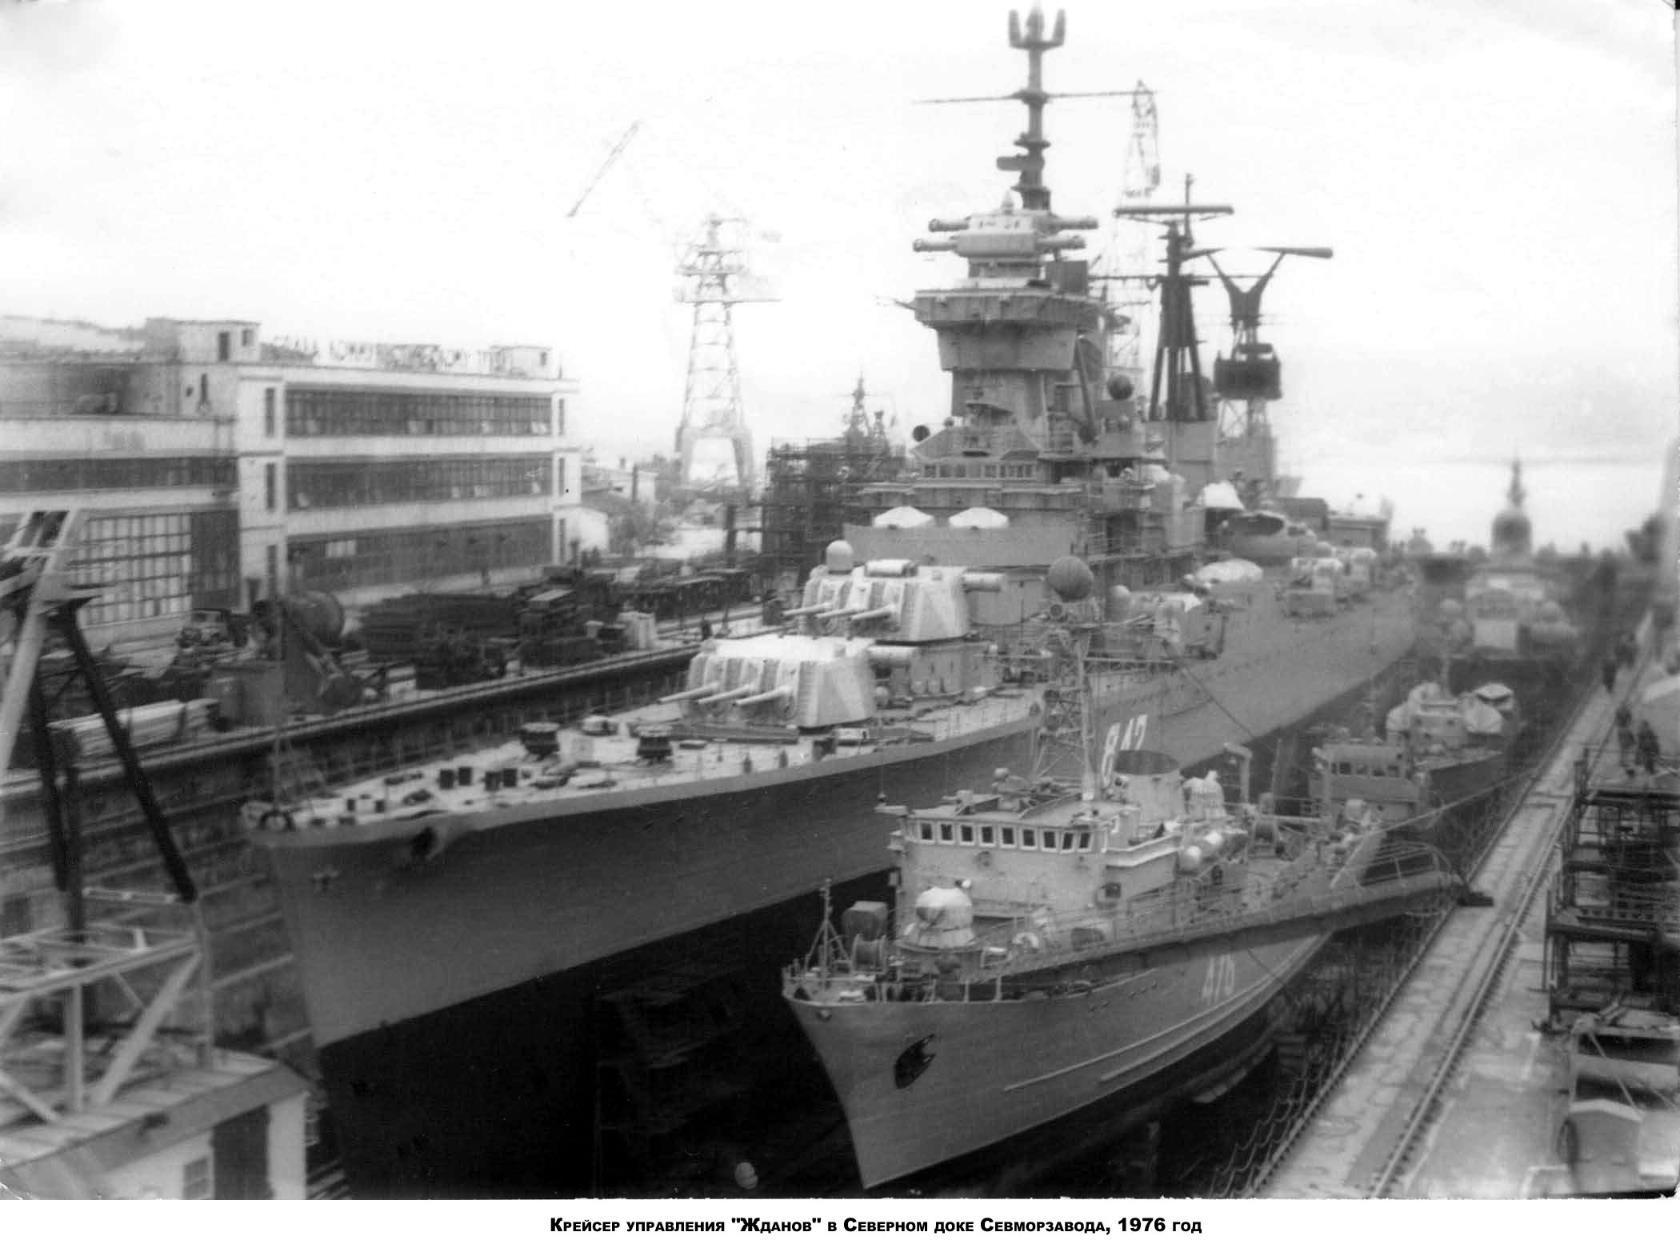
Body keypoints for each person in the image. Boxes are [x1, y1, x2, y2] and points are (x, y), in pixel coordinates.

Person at [1616, 705, 1637, 770]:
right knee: (1626, 751)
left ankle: (1622, 761)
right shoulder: (1626, 729)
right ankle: (1624, 762)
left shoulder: (1620, 729)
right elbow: (1630, 735)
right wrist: (1633, 741)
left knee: (1623, 751)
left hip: (1622, 741)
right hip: (1626, 742)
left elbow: (1619, 737)